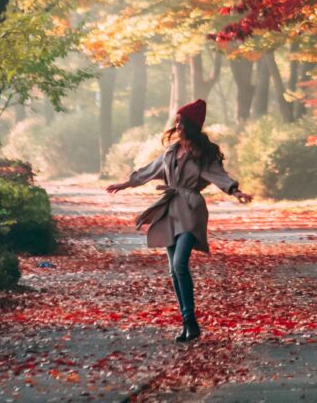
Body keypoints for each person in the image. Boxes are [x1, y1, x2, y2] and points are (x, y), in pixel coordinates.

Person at [107, 98, 252, 342]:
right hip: (170, 210)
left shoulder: (202, 155)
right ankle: (188, 323)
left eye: (182, 123)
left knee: (180, 264)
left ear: (192, 126)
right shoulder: (171, 152)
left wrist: (236, 191)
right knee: (173, 271)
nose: (178, 127)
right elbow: (148, 170)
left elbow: (219, 176)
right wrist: (125, 184)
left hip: (191, 209)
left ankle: (191, 321)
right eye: (177, 122)